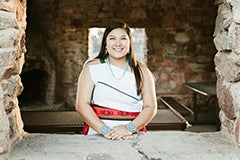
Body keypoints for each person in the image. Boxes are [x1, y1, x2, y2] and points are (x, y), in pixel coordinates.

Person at [76, 21, 157, 140]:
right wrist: (105, 131)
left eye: (123, 39)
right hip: (98, 133)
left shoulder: (142, 71)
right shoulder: (91, 68)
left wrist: (129, 129)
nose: (118, 43)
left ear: (130, 44)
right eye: (112, 38)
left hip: (133, 134)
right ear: (105, 44)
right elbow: (81, 104)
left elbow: (150, 107)